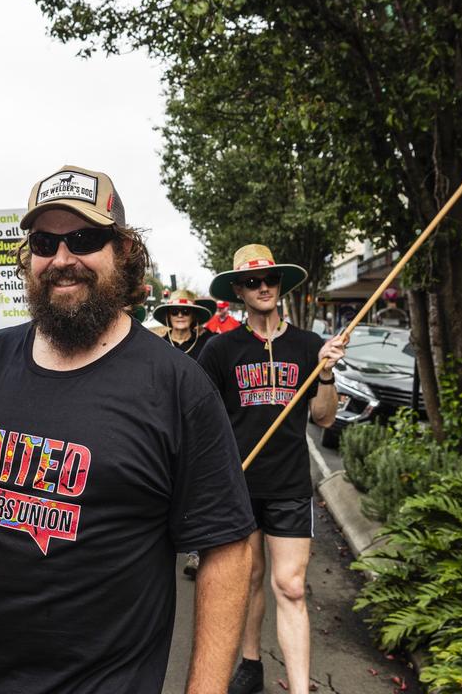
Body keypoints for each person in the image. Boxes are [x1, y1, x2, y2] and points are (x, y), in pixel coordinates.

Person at [0, 165, 256, 694]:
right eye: (44, 242)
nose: (61, 259)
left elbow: (228, 549)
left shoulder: (176, 385)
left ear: (123, 251)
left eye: (84, 239)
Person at [197, 244, 348, 694]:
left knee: (292, 586)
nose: (263, 287)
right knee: (251, 580)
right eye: (251, 282)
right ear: (239, 291)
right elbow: (202, 419)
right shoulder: (221, 350)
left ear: (279, 286)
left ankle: (300, 689)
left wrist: (324, 373)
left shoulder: (306, 346)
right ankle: (250, 662)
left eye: (270, 280)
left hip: (289, 486)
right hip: (238, 485)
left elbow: (324, 418)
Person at [152, 289, 216, 361]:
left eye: (186, 311)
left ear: (193, 316)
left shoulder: (205, 344)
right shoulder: (159, 345)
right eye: (174, 311)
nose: (180, 315)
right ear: (168, 316)